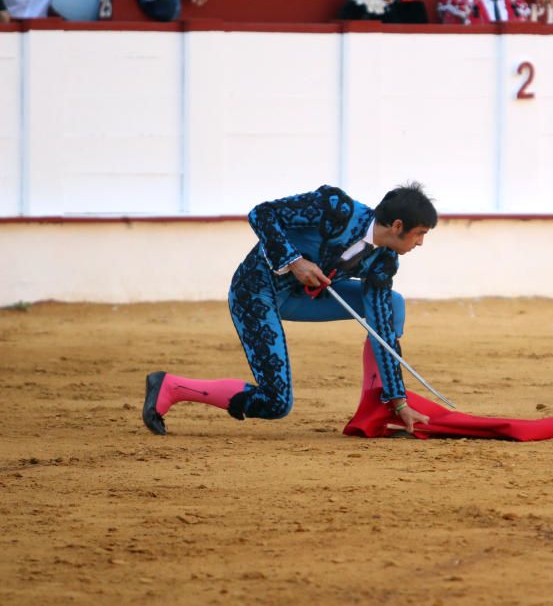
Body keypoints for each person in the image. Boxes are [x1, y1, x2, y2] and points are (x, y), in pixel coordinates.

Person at [143, 182, 437, 436]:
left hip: (303, 297)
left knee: (390, 305)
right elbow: (262, 213)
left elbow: (381, 329)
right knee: (276, 402)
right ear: (398, 226)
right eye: (420, 233)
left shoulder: (384, 261)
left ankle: (380, 407)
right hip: (256, 291)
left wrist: (399, 402)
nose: (421, 243)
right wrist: (294, 261)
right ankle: (172, 386)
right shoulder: (337, 208)